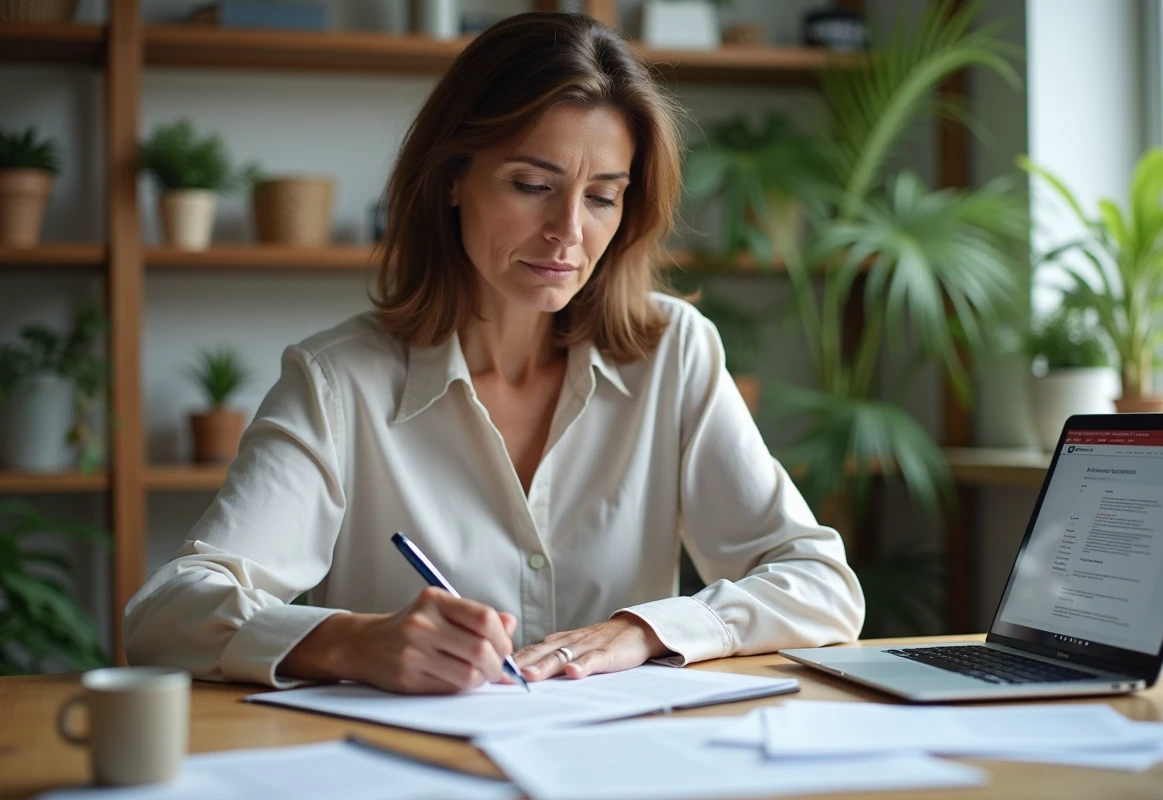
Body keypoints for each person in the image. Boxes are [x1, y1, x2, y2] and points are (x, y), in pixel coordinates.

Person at [124, 11, 865, 694]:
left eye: (602, 196)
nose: (567, 231)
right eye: (531, 185)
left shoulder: (672, 353)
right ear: (452, 179)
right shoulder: (338, 382)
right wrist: (352, 642)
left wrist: (643, 630)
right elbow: (167, 612)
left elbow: (821, 583)